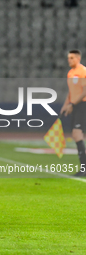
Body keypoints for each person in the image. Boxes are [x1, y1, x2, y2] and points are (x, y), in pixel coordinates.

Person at [60, 49, 86, 177]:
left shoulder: (83, 71)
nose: (69, 60)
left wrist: (72, 104)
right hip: (74, 105)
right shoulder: (70, 73)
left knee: (77, 134)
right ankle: (83, 167)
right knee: (76, 135)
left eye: (72, 58)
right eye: (68, 58)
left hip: (82, 105)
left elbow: (84, 91)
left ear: (78, 58)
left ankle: (84, 168)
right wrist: (66, 105)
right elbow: (71, 92)